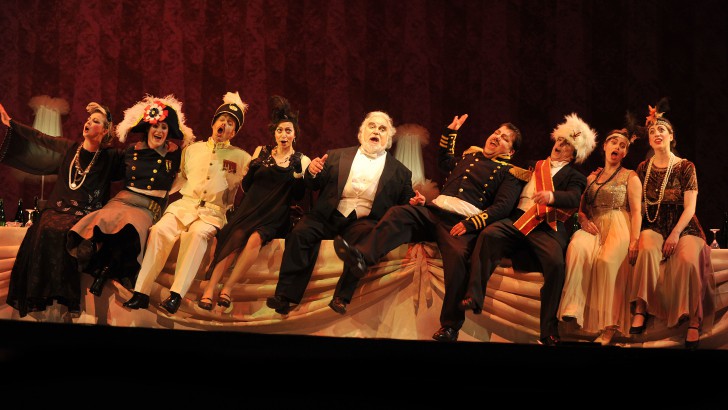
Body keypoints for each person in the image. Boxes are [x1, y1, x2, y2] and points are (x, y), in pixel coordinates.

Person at [333, 115, 523, 342]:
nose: (497, 137)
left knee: (458, 259)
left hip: (461, 223)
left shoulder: (510, 173)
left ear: (511, 151)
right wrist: (451, 132)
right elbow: (444, 162)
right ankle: (362, 258)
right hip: (435, 211)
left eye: (505, 139)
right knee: (399, 214)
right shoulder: (471, 155)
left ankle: (450, 326)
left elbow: (502, 208)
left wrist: (471, 224)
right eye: (497, 133)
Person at [460, 113, 596, 346]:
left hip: (547, 227)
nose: (560, 145)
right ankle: (474, 295)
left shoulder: (576, 177)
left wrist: (551, 196)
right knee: (489, 234)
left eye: (566, 144)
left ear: (573, 154)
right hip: (517, 220)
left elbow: (574, 197)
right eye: (559, 140)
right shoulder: (533, 165)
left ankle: (548, 330)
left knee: (556, 264)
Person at [265, 111, 414, 315]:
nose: (376, 132)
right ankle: (284, 296)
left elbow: (406, 203)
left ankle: (341, 297)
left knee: (363, 241)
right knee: (300, 233)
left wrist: (416, 202)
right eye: (372, 126)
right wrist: (312, 172)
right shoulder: (336, 155)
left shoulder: (401, 172)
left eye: (382, 129)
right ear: (362, 132)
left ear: (388, 138)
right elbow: (314, 184)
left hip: (363, 220)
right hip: (327, 215)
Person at [123, 92, 252, 314]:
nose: (224, 125)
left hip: (213, 213)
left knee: (197, 235)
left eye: (231, 123)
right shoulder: (192, 150)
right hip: (184, 206)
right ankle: (141, 293)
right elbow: (179, 179)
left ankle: (176, 295)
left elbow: (250, 188)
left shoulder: (242, 158)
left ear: (234, 132)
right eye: (222, 119)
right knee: (159, 231)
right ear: (214, 123)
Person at [0, 101, 123, 317]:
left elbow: (135, 156)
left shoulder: (110, 157)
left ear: (105, 131)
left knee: (68, 232)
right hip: (58, 207)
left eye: (95, 121)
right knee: (44, 228)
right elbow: (41, 138)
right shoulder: (70, 148)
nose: (88, 123)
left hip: (86, 213)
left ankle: (67, 298)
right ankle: (41, 296)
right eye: (88, 119)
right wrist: (11, 123)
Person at [66, 95, 194, 297]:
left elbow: (190, 172)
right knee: (104, 219)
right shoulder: (131, 150)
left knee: (130, 228)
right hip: (122, 200)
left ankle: (104, 273)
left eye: (164, 127)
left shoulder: (175, 153)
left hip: (147, 206)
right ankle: (96, 258)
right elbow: (107, 168)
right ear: (147, 129)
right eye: (155, 126)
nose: (159, 131)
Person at [197, 95, 310, 310]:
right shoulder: (261, 151)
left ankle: (228, 289)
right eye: (279, 130)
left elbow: (298, 195)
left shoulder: (301, 160)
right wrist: (252, 169)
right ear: (274, 133)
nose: (283, 134)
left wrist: (297, 173)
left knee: (254, 239)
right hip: (250, 208)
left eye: (288, 130)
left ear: (295, 134)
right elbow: (247, 186)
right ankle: (210, 288)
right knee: (236, 235)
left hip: (274, 214)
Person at [628, 100, 712, 349]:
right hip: (654, 223)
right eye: (652, 131)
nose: (656, 133)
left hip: (683, 225)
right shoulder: (643, 168)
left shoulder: (685, 167)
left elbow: (690, 207)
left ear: (671, 136)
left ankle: (693, 319)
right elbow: (636, 202)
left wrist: (675, 234)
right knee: (645, 248)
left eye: (662, 130)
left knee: (687, 259)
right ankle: (641, 307)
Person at [557, 128, 641, 344]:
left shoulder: (630, 176)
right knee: (576, 247)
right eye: (613, 142)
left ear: (625, 153)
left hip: (619, 223)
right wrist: (583, 220)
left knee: (607, 262)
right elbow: (580, 210)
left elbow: (637, 212)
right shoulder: (591, 178)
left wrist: (634, 240)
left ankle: (610, 325)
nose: (617, 147)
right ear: (604, 146)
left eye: (623, 146)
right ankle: (573, 306)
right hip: (594, 224)